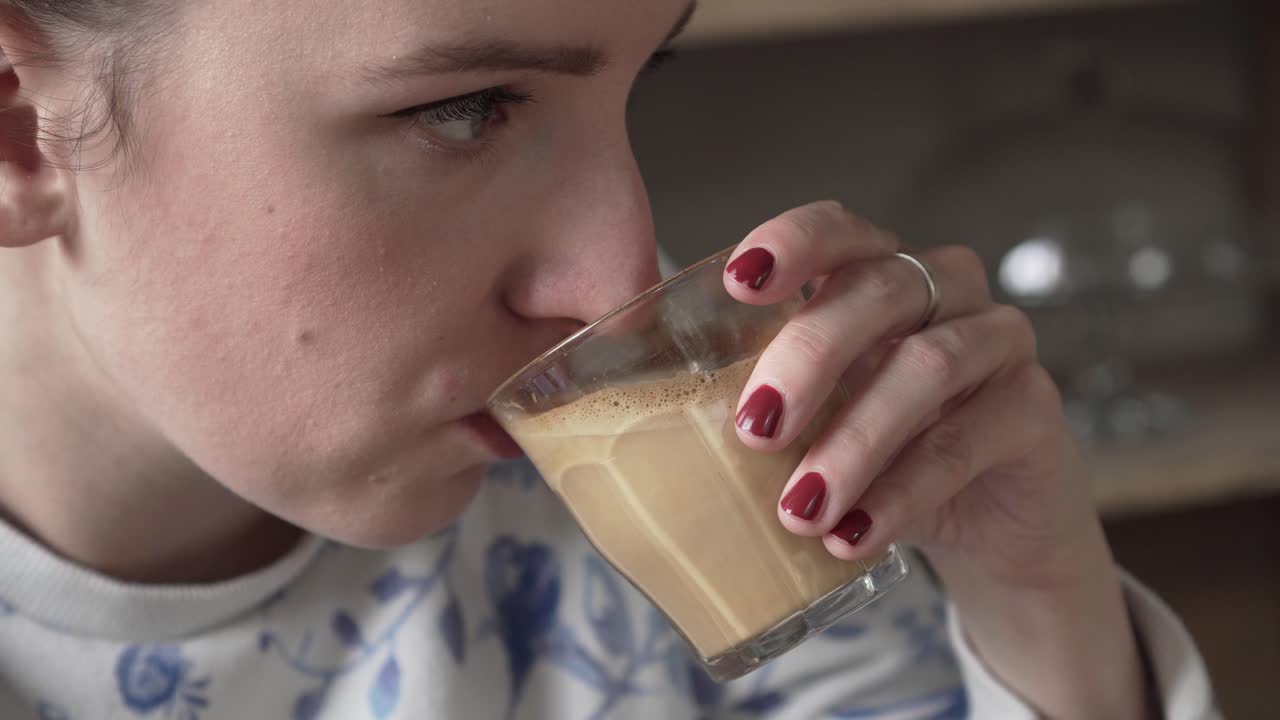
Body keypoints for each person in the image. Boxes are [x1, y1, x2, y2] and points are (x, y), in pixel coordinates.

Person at [0, 1, 1217, 718]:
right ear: (20, 129)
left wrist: (1039, 613)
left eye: (640, 84)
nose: (618, 281)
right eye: (464, 108)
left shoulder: (624, 455)